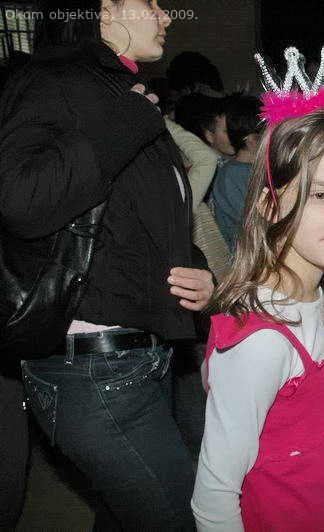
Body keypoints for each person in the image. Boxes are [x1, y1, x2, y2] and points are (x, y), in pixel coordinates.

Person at [0, 1, 214, 529]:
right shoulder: (52, 78)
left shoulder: (121, 90)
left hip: (137, 360)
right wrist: (128, 121)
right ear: (106, 9)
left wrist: (198, 272)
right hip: (93, 368)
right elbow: (22, 200)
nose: (167, 16)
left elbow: (145, 219)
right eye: (152, 3)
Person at [192, 46, 324, 531]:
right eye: (321, 195)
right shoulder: (261, 343)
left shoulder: (323, 298)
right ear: (269, 204)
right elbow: (214, 499)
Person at [211, 93, 262, 250]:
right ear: (252, 139)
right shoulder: (232, 176)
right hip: (248, 255)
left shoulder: (252, 169)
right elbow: (255, 225)